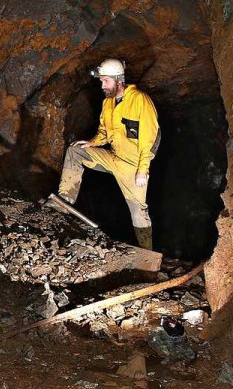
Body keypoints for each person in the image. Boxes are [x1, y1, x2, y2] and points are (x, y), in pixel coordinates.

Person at [57, 58, 160, 250]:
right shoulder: (108, 103)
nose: (102, 85)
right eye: (101, 81)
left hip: (133, 166)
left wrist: (143, 169)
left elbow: (151, 138)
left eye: (106, 81)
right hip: (113, 157)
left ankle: (147, 253)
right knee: (75, 151)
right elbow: (105, 132)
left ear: (119, 80)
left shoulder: (140, 100)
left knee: (138, 211)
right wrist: (93, 142)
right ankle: (63, 203)